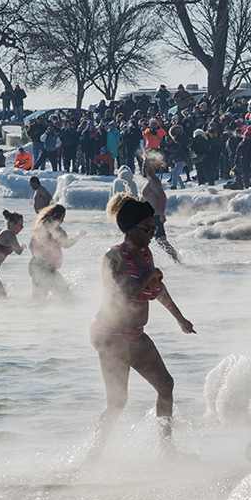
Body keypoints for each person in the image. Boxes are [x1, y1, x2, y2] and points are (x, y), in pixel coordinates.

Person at [89, 193, 195, 456]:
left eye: (154, 227)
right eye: (148, 228)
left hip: (135, 333)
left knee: (166, 385)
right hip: (110, 334)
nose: (153, 233)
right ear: (130, 229)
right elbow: (128, 292)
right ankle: (93, 455)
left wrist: (180, 318)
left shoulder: (146, 253)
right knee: (118, 402)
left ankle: (166, 450)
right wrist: (150, 274)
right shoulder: (114, 257)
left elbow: (157, 289)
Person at [29, 204, 85, 300]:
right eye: (62, 217)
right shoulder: (58, 231)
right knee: (66, 295)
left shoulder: (39, 228)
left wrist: (40, 256)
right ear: (56, 216)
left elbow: (31, 246)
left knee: (38, 299)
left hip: (34, 264)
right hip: (47, 268)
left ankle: (34, 313)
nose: (63, 220)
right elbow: (66, 244)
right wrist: (79, 236)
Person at [141, 153, 181, 263]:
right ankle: (144, 262)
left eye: (146, 166)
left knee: (162, 242)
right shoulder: (149, 180)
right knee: (143, 241)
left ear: (153, 167)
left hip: (155, 218)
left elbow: (162, 196)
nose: (143, 168)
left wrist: (162, 214)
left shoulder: (154, 181)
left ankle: (178, 262)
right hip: (147, 218)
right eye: (143, 165)